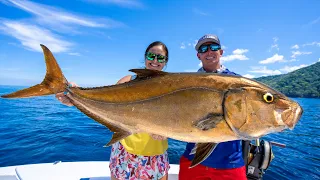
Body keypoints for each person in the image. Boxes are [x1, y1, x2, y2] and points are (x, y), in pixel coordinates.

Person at [56, 41, 170, 180]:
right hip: (125, 151)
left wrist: (167, 131)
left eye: (160, 58)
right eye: (151, 56)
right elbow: (104, 103)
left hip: (155, 153)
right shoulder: (127, 81)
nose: (155, 61)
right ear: (145, 57)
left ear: (165, 62)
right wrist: (74, 98)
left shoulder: (172, 88)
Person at [178, 34, 247, 180]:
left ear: (221, 52)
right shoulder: (186, 84)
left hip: (230, 164)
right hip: (193, 161)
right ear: (198, 55)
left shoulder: (238, 83)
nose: (209, 52)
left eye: (213, 47)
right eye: (204, 48)